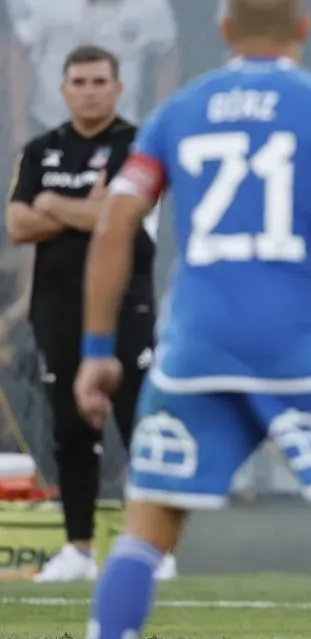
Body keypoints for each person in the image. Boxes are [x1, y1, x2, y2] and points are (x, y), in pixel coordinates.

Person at [72, 2, 311, 639]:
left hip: (196, 347)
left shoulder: (180, 112)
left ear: (221, 29)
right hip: (300, 348)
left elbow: (116, 224)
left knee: (146, 528)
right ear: (303, 29)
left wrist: (97, 350)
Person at [5, 44, 175, 583]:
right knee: (69, 427)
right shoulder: (39, 151)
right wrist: (87, 211)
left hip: (127, 302)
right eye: (78, 81)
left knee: (136, 421)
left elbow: (127, 211)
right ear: (62, 89)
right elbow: (17, 225)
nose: (89, 90)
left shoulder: (138, 145)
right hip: (57, 307)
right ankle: (77, 548)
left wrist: (54, 206)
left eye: (99, 80)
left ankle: (154, 547)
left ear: (118, 86)